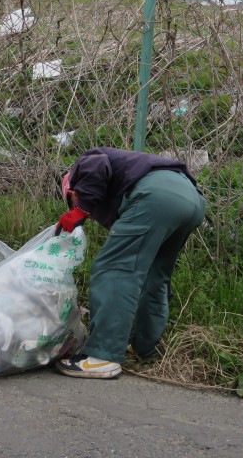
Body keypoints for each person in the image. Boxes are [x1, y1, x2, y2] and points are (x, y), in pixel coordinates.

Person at [52, 147, 206, 379]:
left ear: (73, 190)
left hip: (156, 195)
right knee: (155, 275)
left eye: (72, 201)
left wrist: (81, 208)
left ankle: (103, 357)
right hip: (191, 199)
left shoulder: (82, 167)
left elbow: (97, 164)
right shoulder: (120, 189)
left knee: (113, 269)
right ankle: (145, 348)